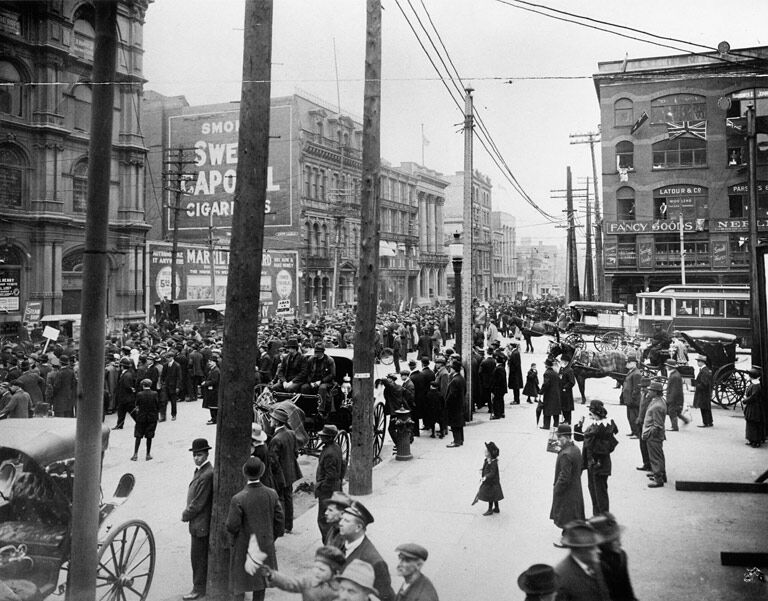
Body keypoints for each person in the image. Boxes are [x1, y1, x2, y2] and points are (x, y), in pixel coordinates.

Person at [226, 456, 285, 601]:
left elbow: (232, 526)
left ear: (245, 473)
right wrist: (271, 538)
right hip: (264, 545)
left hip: (244, 547)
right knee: (261, 584)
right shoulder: (272, 494)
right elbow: (279, 521)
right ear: (261, 473)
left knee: (240, 584)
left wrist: (234, 540)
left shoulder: (238, 498)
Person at [336, 500, 394, 601]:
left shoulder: (374, 561)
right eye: (341, 519)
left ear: (358, 527)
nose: (340, 523)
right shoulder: (340, 542)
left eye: (346, 521)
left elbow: (386, 597)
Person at [181, 438, 214, 601]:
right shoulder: (201, 470)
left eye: (199, 455)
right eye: (194, 455)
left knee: (198, 558)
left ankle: (198, 589)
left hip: (200, 523)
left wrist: (185, 514)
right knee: (198, 557)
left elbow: (198, 502)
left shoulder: (206, 474)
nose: (196, 458)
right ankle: (200, 586)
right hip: (198, 523)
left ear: (207, 454)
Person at [261, 545, 345, 601]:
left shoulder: (340, 590)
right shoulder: (308, 582)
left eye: (321, 570)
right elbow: (290, 583)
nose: (316, 572)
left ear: (335, 572)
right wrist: (272, 575)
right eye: (315, 567)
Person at [553, 520, 611, 601]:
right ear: (580, 551)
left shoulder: (597, 565)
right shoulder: (562, 575)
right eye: (592, 548)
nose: (598, 551)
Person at [580, 400, 619, 516]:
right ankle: (597, 516)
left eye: (590, 413)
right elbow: (582, 438)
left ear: (596, 413)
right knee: (593, 490)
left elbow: (600, 447)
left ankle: (604, 519)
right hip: (592, 464)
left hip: (600, 466)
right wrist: (579, 426)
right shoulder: (595, 426)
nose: (589, 415)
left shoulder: (604, 427)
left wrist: (588, 435)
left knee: (600, 493)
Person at [587, 512, 637, 601]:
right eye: (614, 540)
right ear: (603, 543)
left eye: (618, 538)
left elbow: (627, 589)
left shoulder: (622, 556)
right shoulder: (595, 566)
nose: (620, 543)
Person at [269, 406, 302, 533]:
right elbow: (295, 453)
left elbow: (273, 462)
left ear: (277, 422)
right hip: (291, 473)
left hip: (281, 476)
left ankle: (281, 527)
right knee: (289, 498)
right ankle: (289, 525)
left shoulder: (276, 439)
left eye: (272, 419)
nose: (271, 421)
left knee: (280, 499)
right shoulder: (291, 434)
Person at [550, 424, 585, 531]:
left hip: (567, 490)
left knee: (565, 514)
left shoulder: (566, 454)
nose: (557, 440)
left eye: (559, 437)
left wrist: (557, 488)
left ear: (565, 437)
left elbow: (564, 477)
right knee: (573, 514)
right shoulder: (575, 449)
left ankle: (568, 539)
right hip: (575, 487)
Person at [315, 424, 345, 541]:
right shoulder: (336, 447)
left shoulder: (329, 453)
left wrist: (322, 487)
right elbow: (342, 465)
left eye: (323, 436)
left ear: (328, 438)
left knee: (324, 519)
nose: (321, 438)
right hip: (334, 488)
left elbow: (330, 476)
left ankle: (329, 545)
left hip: (328, 491)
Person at [642, 380, 668, 487]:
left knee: (655, 457)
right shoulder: (658, 401)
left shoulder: (657, 406)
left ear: (656, 392)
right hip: (655, 435)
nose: (649, 391)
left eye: (651, 390)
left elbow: (658, 425)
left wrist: (649, 434)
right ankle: (662, 475)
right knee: (659, 456)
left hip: (654, 436)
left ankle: (658, 479)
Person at [302, 343, 336, 416]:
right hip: (313, 381)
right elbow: (306, 372)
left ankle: (321, 410)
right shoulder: (311, 359)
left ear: (323, 352)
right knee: (304, 388)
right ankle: (306, 408)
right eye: (316, 352)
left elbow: (332, 374)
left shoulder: (329, 360)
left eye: (318, 352)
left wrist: (321, 381)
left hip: (325, 381)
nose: (317, 354)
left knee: (322, 388)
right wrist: (310, 382)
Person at [131, 378, 158, 461]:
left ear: (143, 385)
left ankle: (135, 454)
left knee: (138, 436)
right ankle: (148, 454)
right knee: (149, 436)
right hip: (151, 417)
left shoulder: (139, 394)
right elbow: (157, 405)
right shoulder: (155, 394)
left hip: (141, 417)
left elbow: (137, 405)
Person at [474, 441, 503, 516]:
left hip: (491, 482)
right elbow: (485, 467)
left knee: (491, 496)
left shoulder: (493, 463)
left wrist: (486, 476)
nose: (485, 452)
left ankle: (490, 509)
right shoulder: (487, 460)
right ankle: (496, 508)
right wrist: (482, 470)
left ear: (490, 454)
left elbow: (492, 473)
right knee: (495, 495)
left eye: (486, 451)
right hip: (491, 482)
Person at [444, 358, 466, 448]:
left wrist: (447, 403)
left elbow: (452, 395)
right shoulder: (461, 378)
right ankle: (460, 439)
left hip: (454, 406)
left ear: (453, 369)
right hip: (460, 404)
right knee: (459, 423)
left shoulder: (454, 380)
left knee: (454, 424)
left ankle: (456, 441)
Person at [51, 354, 78, 418]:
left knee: (59, 418)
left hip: (59, 399)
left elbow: (56, 386)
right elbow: (74, 384)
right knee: (68, 416)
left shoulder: (59, 373)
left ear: (60, 363)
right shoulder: (71, 372)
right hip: (69, 398)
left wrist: (53, 394)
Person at [664, 359, 688, 430]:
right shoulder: (675, 374)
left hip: (674, 398)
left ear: (670, 367)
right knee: (676, 411)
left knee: (672, 412)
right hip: (677, 398)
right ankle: (685, 420)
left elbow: (675, 390)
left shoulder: (674, 376)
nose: (666, 367)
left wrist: (670, 399)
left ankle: (674, 427)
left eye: (667, 366)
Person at [621, 358, 642, 438]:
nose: (627, 364)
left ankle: (637, 433)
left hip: (633, 400)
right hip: (628, 399)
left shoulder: (636, 373)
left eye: (628, 363)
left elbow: (637, 388)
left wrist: (632, 399)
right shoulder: (631, 371)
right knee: (630, 417)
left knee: (634, 417)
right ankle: (633, 431)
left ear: (634, 363)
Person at [113, 356, 136, 429]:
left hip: (125, 398)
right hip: (125, 397)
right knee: (122, 412)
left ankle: (140, 422)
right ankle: (119, 425)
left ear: (122, 366)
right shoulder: (127, 374)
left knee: (131, 412)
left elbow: (127, 386)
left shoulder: (126, 375)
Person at [744, 366, 764, 447]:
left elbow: (753, 397)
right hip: (752, 407)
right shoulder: (755, 384)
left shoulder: (755, 385)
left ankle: (756, 441)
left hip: (754, 408)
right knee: (751, 423)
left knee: (753, 423)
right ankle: (752, 440)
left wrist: (745, 400)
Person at [159, 351, 182, 422]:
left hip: (174, 386)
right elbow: (163, 375)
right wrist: (163, 382)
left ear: (172, 357)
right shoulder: (165, 365)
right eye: (166, 358)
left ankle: (173, 414)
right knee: (163, 401)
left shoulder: (177, 365)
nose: (167, 359)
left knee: (173, 401)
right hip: (166, 386)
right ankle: (163, 416)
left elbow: (179, 377)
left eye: (168, 358)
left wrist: (178, 387)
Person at [692, 354, 713, 428]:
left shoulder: (704, 371)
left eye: (698, 361)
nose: (697, 363)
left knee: (703, 408)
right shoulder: (706, 370)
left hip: (703, 392)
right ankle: (709, 422)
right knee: (707, 407)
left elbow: (704, 383)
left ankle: (706, 422)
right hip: (706, 392)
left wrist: (696, 385)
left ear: (702, 362)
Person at [540, 358, 561, 430]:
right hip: (556, 393)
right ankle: (556, 424)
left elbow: (546, 384)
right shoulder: (555, 373)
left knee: (547, 409)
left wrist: (541, 391)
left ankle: (546, 425)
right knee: (556, 410)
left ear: (546, 365)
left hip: (549, 394)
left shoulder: (546, 373)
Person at [201, 355, 220, 425]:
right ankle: (213, 418)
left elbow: (214, 381)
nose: (209, 363)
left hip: (214, 390)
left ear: (215, 362)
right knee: (212, 405)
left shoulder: (215, 371)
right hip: (212, 390)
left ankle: (214, 419)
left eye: (211, 361)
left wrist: (206, 383)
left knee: (213, 406)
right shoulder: (213, 369)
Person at [490, 354, 507, 420]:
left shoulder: (498, 369)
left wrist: (493, 388)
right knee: (500, 400)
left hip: (498, 388)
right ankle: (501, 412)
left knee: (496, 401)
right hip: (501, 388)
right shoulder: (501, 367)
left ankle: (497, 414)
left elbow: (498, 380)